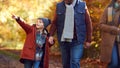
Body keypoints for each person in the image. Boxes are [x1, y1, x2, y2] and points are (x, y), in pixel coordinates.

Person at [48, 0, 92, 68]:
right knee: (66, 64)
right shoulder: (59, 6)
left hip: (77, 40)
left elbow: (88, 23)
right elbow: (55, 22)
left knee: (75, 61)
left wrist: (89, 40)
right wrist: (50, 35)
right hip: (64, 40)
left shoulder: (82, 5)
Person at [99, 0, 120, 68]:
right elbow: (101, 25)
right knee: (114, 63)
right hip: (110, 41)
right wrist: (114, 29)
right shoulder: (109, 9)